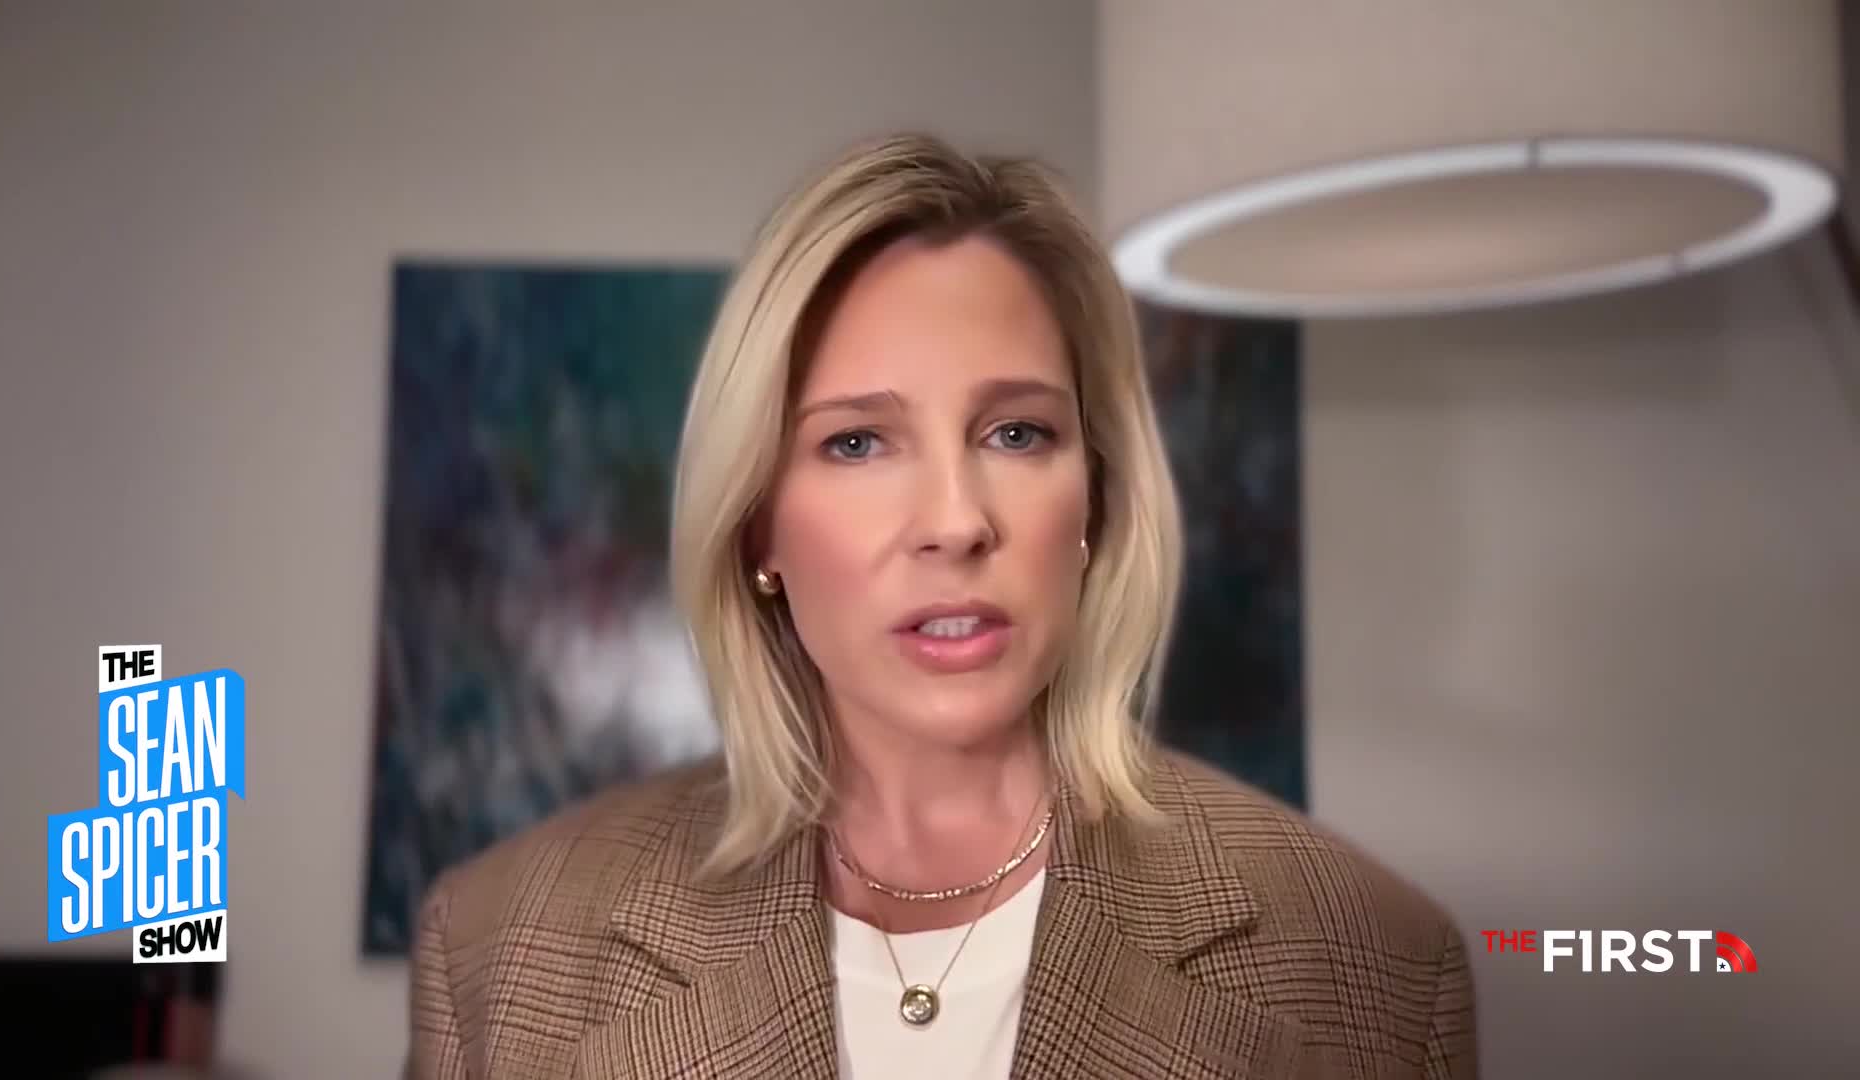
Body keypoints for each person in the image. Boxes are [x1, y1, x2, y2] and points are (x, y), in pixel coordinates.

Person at [406, 133, 1478, 1079]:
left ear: (1095, 495)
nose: (958, 521)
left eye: (1017, 434)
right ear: (758, 527)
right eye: (857, 442)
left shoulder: (1368, 953)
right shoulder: (501, 946)